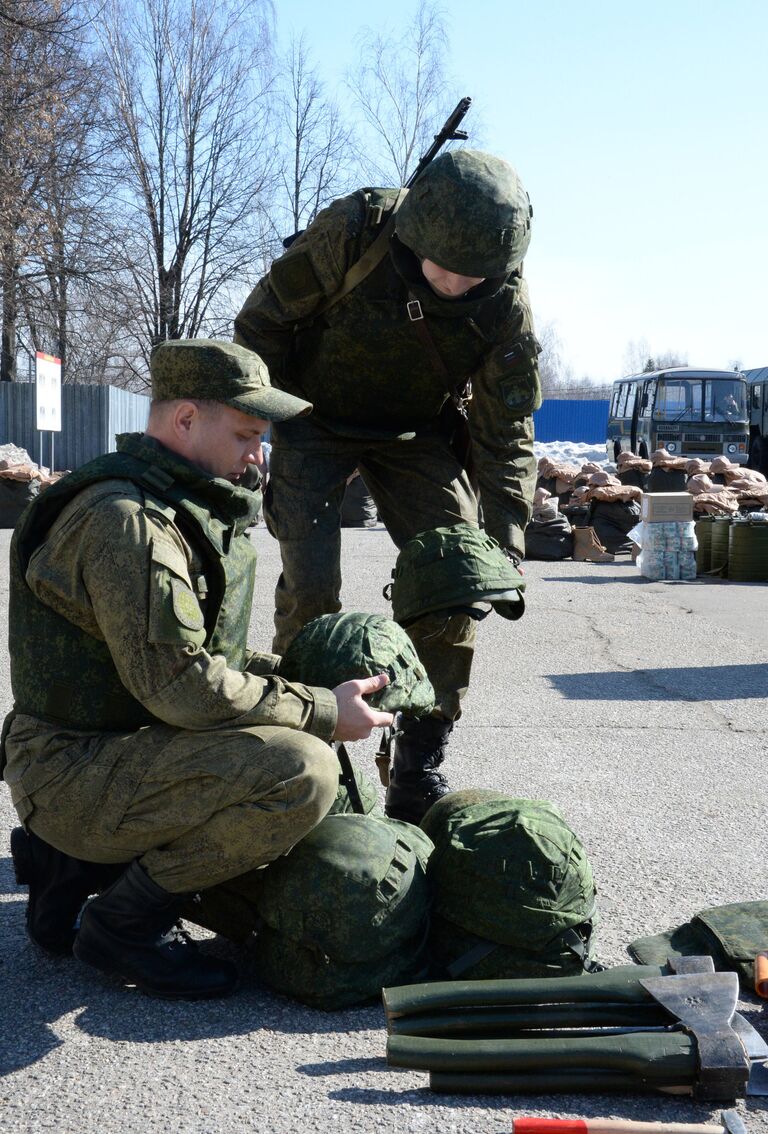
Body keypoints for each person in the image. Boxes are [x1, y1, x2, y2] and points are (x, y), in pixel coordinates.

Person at [2, 338, 392, 999]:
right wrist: (322, 711)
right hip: (75, 767)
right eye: (245, 434)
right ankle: (122, 923)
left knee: (300, 770)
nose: (256, 455)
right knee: (300, 773)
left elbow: (213, 661)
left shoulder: (178, 505)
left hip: (107, 754)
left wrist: (313, 684)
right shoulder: (126, 522)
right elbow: (183, 685)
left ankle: (68, 865)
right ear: (185, 419)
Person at [234, 148, 541, 824]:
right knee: (312, 589)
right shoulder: (355, 232)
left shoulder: (504, 307)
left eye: (476, 277)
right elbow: (259, 326)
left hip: (416, 434)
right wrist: (256, 427)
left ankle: (417, 761)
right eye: (446, 271)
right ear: (414, 236)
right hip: (311, 417)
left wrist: (506, 537)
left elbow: (505, 429)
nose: (459, 287)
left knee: (458, 581)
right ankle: (306, 754)